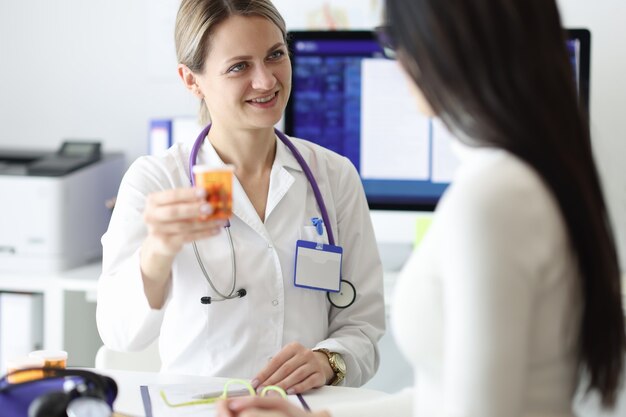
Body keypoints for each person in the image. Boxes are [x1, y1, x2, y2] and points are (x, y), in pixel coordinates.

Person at [216, 0, 626, 416]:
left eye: (399, 44)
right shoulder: (513, 180)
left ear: (442, 49)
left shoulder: (492, 199)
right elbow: (442, 398)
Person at [96, 0, 385, 394]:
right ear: (191, 80)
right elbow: (119, 334)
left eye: (275, 55)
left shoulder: (333, 176)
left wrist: (329, 361)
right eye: (239, 66)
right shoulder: (157, 180)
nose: (266, 81)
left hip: (300, 407)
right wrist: (157, 251)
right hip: (200, 409)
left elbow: (363, 325)